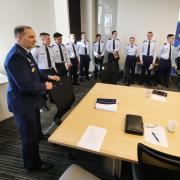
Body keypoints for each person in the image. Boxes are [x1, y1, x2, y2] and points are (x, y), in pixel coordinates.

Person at [4, 25, 60, 172]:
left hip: (31, 101)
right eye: (31, 36)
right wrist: (45, 87)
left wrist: (48, 76)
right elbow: (25, 85)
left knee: (35, 129)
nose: (35, 39)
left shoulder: (25, 53)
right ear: (19, 37)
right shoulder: (15, 56)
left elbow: (35, 73)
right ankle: (33, 164)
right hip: (22, 104)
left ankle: (39, 135)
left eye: (34, 36)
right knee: (28, 137)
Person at [31, 32, 57, 111]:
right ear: (42, 39)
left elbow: (52, 59)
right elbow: (33, 61)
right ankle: (43, 105)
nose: (50, 40)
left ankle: (53, 99)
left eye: (50, 38)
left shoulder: (50, 48)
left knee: (52, 85)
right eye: (48, 39)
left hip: (51, 69)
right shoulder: (37, 49)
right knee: (43, 89)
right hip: (42, 71)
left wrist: (54, 67)